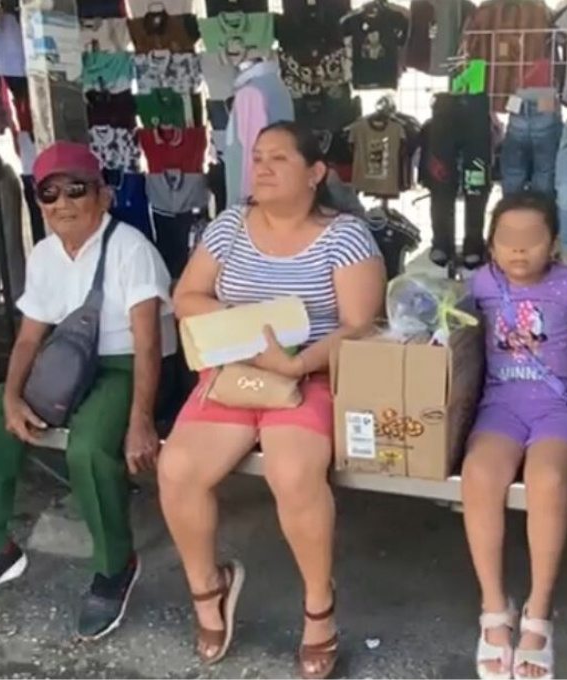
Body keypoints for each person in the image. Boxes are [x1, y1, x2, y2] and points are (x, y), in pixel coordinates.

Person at [157, 122, 385, 679]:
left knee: (292, 470)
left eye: (278, 159)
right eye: (257, 157)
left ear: (315, 173)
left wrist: (298, 361)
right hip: (234, 370)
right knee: (177, 468)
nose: (260, 167)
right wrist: (248, 326)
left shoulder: (346, 235)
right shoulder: (231, 225)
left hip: (312, 372)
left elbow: (361, 326)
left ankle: (318, 608)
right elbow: (185, 296)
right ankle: (209, 588)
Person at [0, 142, 176, 641]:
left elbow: (148, 345)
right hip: (64, 364)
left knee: (89, 448)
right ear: (37, 201)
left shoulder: (131, 249)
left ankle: (114, 566)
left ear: (103, 196)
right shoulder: (44, 254)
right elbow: (28, 338)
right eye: (49, 192)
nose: (62, 203)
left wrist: (140, 422)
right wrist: (10, 397)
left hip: (121, 366)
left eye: (76, 190)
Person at [461, 192, 567, 679]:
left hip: (561, 410)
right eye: (507, 240)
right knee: (479, 474)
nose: (519, 251)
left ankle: (539, 611)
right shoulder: (481, 284)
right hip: (499, 409)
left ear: (554, 244)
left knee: (549, 479)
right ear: (490, 245)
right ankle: (494, 610)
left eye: (532, 241)